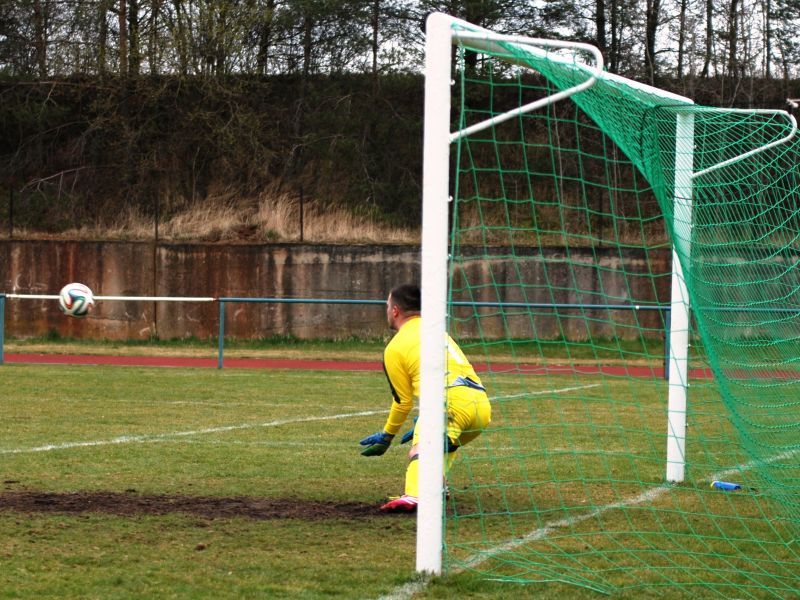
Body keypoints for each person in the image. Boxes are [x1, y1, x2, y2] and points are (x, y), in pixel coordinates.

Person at [359, 283, 492, 512]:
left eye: (387, 305)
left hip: (447, 405)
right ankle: (437, 485)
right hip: (480, 406)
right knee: (443, 445)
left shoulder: (395, 348)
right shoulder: (438, 331)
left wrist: (387, 436)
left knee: (420, 449)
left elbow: (403, 402)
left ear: (395, 310)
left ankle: (415, 495)